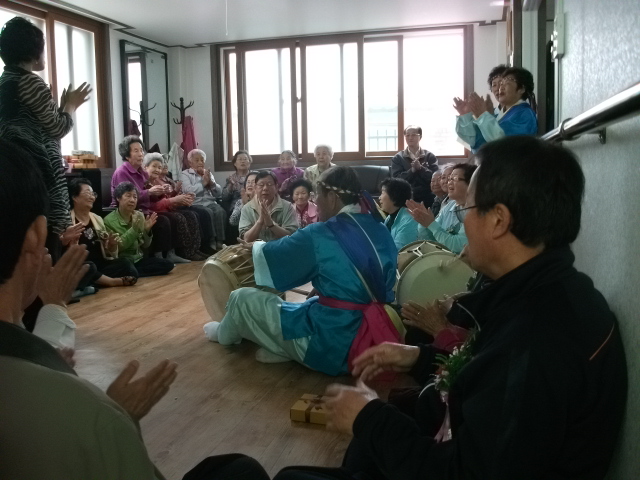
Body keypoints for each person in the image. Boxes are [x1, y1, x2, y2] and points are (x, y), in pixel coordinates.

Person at [272, 136, 628, 480]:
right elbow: (485, 385)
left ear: (499, 220)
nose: (462, 220)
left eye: (465, 209)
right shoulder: (553, 294)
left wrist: (369, 417)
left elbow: (463, 472)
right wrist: (420, 357)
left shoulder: (534, 342)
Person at [0, 138, 270, 480]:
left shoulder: (35, 376)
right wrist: (118, 418)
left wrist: (51, 319)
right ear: (37, 236)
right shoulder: (73, 408)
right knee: (242, 471)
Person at [203, 166, 400, 376]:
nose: (316, 202)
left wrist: (256, 248)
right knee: (309, 302)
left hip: (332, 342)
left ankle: (224, 334)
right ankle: (280, 348)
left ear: (332, 198)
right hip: (375, 332)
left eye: (317, 195)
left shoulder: (322, 232)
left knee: (240, 298)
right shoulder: (379, 227)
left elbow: (281, 256)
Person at [0, 17, 92, 262]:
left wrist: (60, 107)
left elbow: (36, 126)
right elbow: (58, 128)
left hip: (13, 171)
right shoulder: (29, 81)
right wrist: (71, 105)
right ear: (33, 51)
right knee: (46, 247)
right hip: (36, 173)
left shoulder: (5, 82)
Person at [110, 136, 175, 260]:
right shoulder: (122, 172)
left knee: (172, 217)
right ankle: (158, 256)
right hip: (126, 212)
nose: (141, 154)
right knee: (162, 221)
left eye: (141, 150)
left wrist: (161, 191)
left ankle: (170, 254)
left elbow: (150, 195)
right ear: (127, 155)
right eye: (136, 151)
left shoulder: (142, 172)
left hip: (142, 210)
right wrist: (149, 192)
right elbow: (126, 198)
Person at [69, 178, 138, 287]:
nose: (92, 197)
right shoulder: (68, 220)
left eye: (93, 194)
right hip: (82, 265)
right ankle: (110, 282)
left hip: (100, 265)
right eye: (88, 193)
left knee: (126, 265)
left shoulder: (97, 219)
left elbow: (108, 253)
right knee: (87, 267)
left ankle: (93, 283)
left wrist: (111, 246)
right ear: (75, 197)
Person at [454, 66, 538, 152]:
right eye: (498, 84)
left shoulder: (525, 114)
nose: (500, 88)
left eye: (506, 82)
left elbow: (504, 144)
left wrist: (483, 116)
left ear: (521, 89)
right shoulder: (501, 114)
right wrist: (465, 116)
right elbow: (475, 141)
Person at [143, 152, 205, 261]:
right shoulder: (144, 183)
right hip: (153, 211)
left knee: (191, 215)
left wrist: (180, 196)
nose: (157, 170)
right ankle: (181, 252)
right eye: (154, 166)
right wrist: (173, 199)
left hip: (165, 209)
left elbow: (167, 199)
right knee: (177, 217)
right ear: (145, 167)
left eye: (159, 167)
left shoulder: (156, 182)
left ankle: (193, 249)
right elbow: (152, 206)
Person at [104, 182, 174, 277]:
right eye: (128, 196)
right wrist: (133, 230)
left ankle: (134, 273)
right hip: (123, 260)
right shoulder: (109, 220)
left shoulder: (139, 215)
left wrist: (146, 231)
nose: (132, 200)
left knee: (168, 264)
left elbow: (145, 245)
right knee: (126, 265)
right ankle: (133, 272)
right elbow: (119, 247)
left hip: (138, 259)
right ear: (118, 198)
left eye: (135, 197)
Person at [407, 163, 477, 254]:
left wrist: (431, 224)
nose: (449, 182)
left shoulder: (477, 212)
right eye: (450, 178)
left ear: (471, 183)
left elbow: (458, 246)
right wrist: (424, 223)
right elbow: (432, 240)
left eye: (454, 178)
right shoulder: (449, 207)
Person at [180, 149, 227, 251]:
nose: (200, 162)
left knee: (220, 211)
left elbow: (218, 193)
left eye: (202, 160)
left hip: (209, 202)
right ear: (190, 163)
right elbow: (188, 190)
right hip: (195, 202)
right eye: (197, 160)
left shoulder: (208, 173)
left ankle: (220, 241)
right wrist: (203, 183)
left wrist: (212, 184)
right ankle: (211, 241)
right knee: (208, 212)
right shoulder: (185, 174)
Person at [239, 170, 298, 242]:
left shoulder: (287, 207)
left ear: (276, 187)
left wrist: (271, 224)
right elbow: (246, 239)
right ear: (255, 188)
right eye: (261, 185)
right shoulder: (247, 208)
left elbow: (292, 236)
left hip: (279, 248)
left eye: (269, 184)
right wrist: (260, 222)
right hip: (254, 248)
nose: (265, 188)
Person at [390, 125, 439, 207]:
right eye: (407, 135)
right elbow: (396, 180)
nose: (410, 138)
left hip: (427, 194)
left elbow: (435, 178)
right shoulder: (398, 158)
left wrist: (421, 168)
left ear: (420, 137)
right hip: (406, 195)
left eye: (413, 135)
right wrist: (411, 171)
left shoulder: (429, 156)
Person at [378, 177, 419, 250]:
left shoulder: (409, 220)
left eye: (382, 193)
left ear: (394, 196)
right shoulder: (390, 217)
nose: (379, 198)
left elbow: (400, 251)